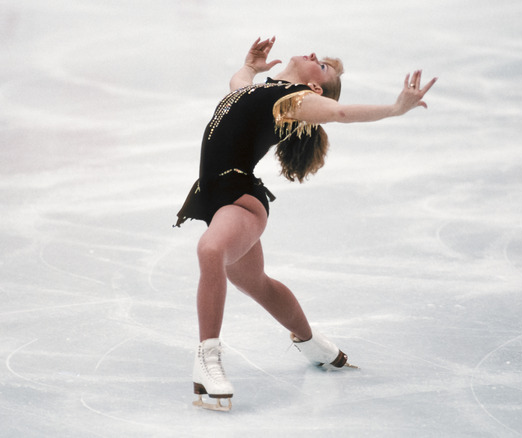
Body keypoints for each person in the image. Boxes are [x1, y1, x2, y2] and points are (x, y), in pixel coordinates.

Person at [175, 37, 436, 411]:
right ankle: (312, 342)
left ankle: (207, 358)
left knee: (211, 250)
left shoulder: (297, 99)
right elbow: (237, 86)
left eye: (323, 66)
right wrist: (250, 66)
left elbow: (339, 113)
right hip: (218, 196)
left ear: (316, 87)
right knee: (255, 282)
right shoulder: (262, 93)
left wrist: (396, 109)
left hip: (239, 200)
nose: (314, 56)